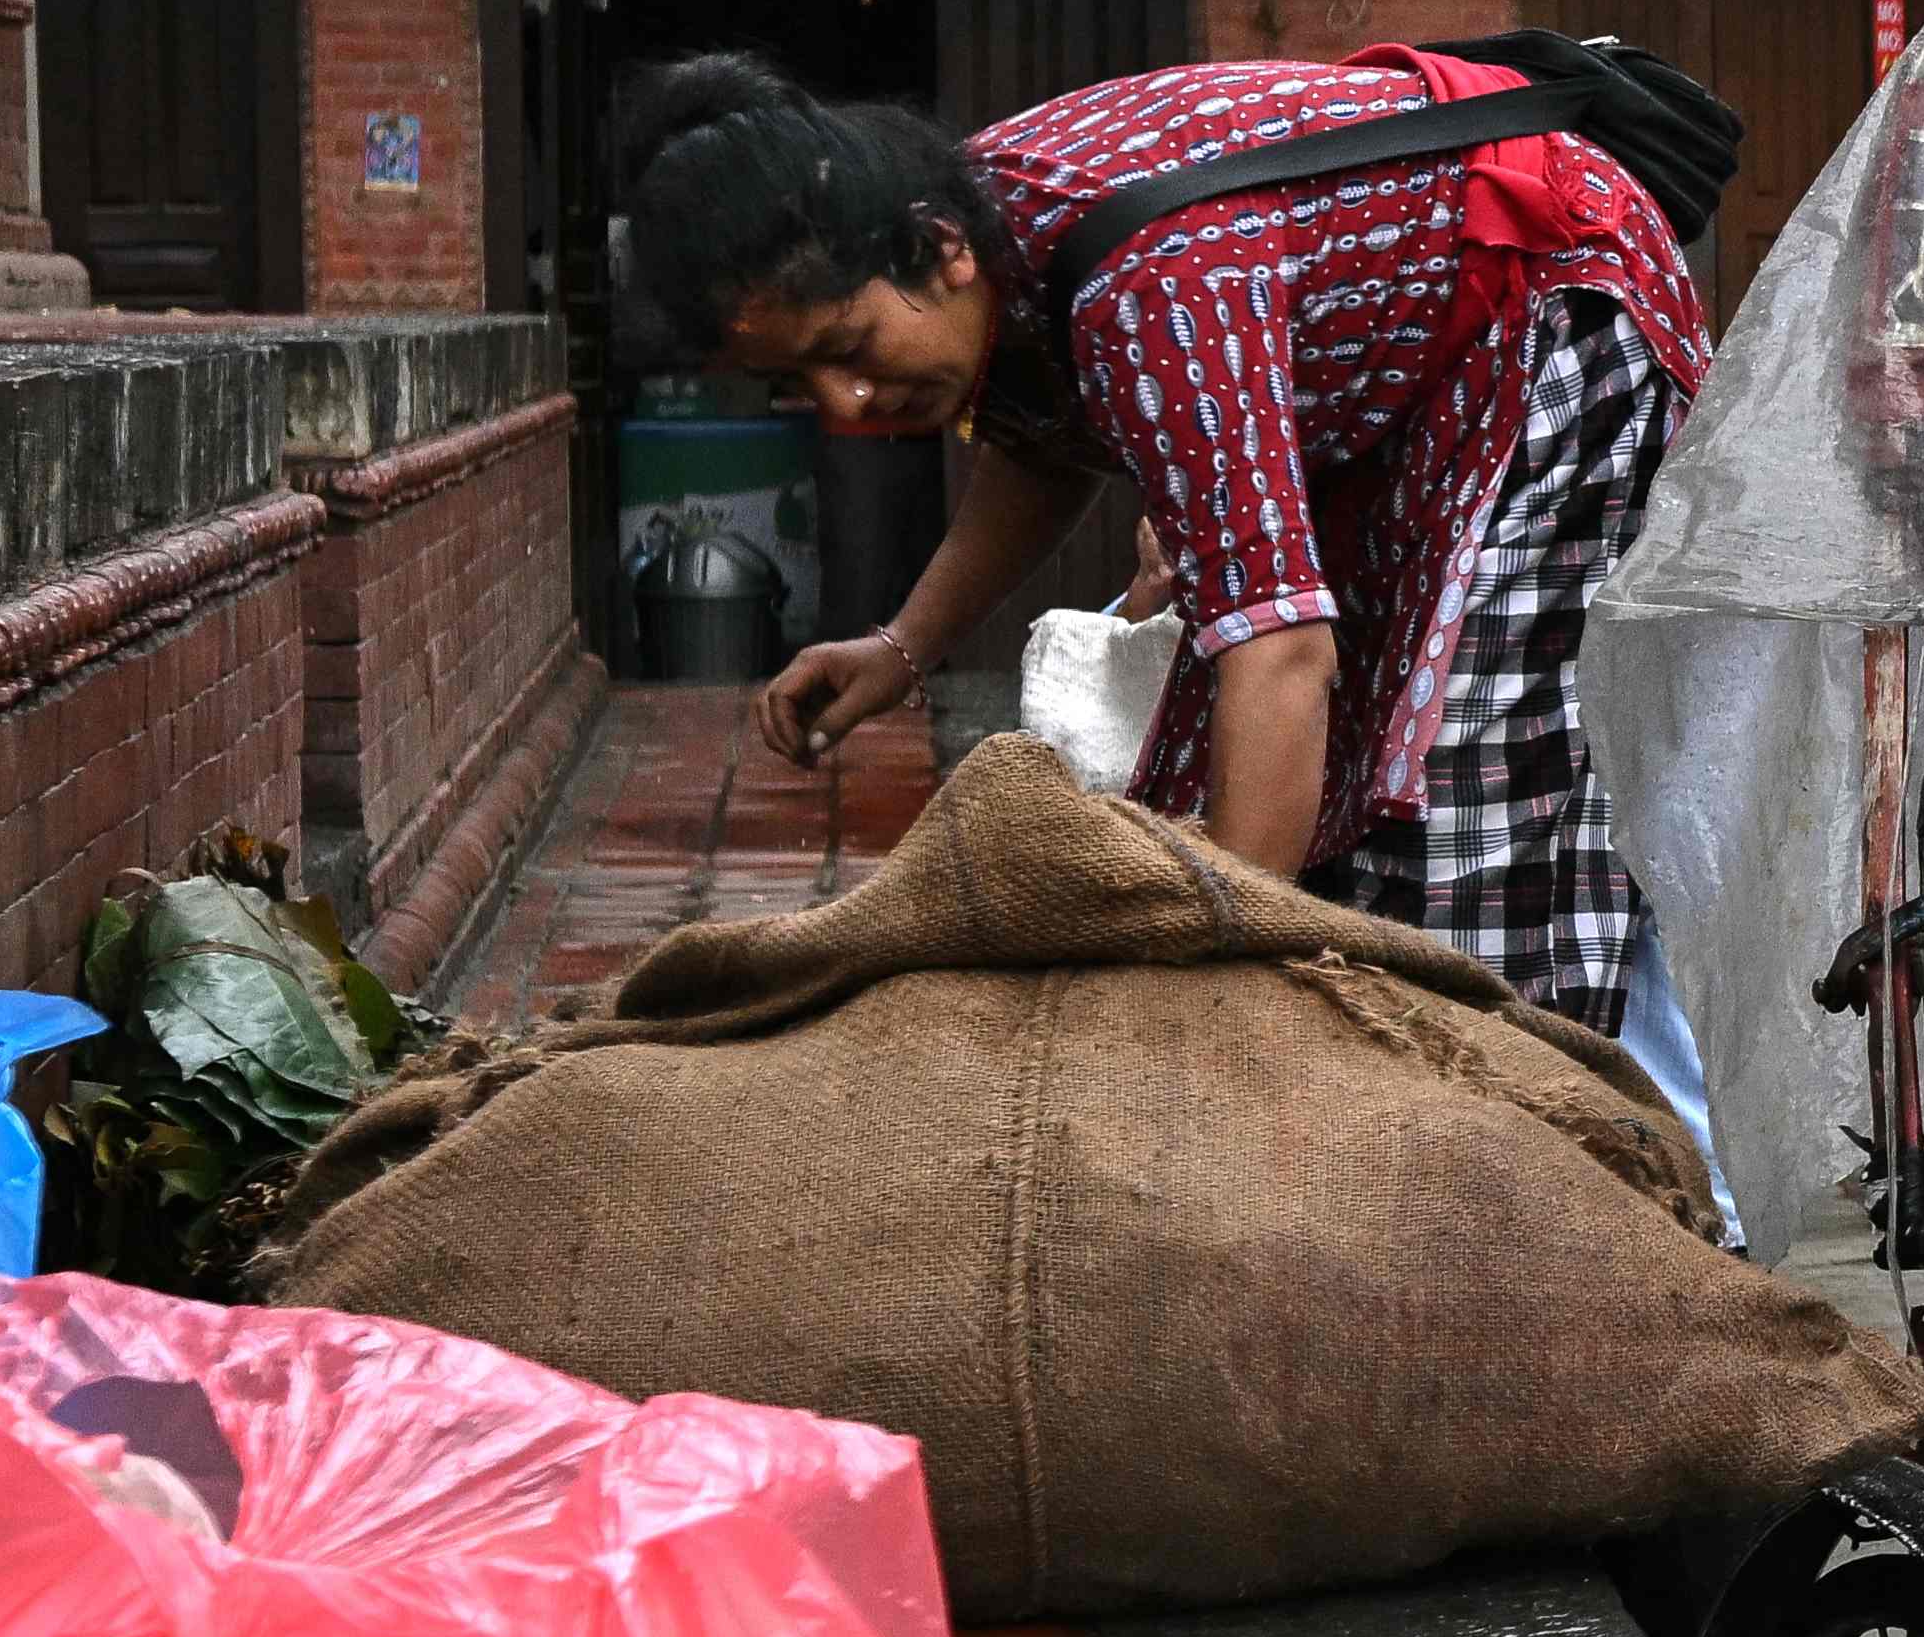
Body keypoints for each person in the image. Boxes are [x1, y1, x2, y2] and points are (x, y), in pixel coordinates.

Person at [620, 50, 1709, 1038]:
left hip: (1557, 299)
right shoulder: (990, 242)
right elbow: (1043, 441)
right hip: (1401, 388)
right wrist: (904, 646)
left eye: (849, 347)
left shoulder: (1146, 285)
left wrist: (1215, 1006)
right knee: (1311, 803)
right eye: (795, 382)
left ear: (939, 250)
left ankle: (1544, 1152)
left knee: (1458, 807)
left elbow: (1280, 655)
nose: (846, 398)